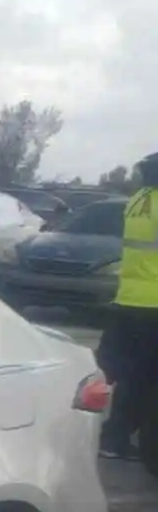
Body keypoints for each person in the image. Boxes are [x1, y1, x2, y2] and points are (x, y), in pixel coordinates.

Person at [97, 153, 158, 469]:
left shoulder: (138, 200)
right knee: (147, 381)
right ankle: (141, 445)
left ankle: (115, 438)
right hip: (153, 303)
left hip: (130, 298)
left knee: (133, 376)